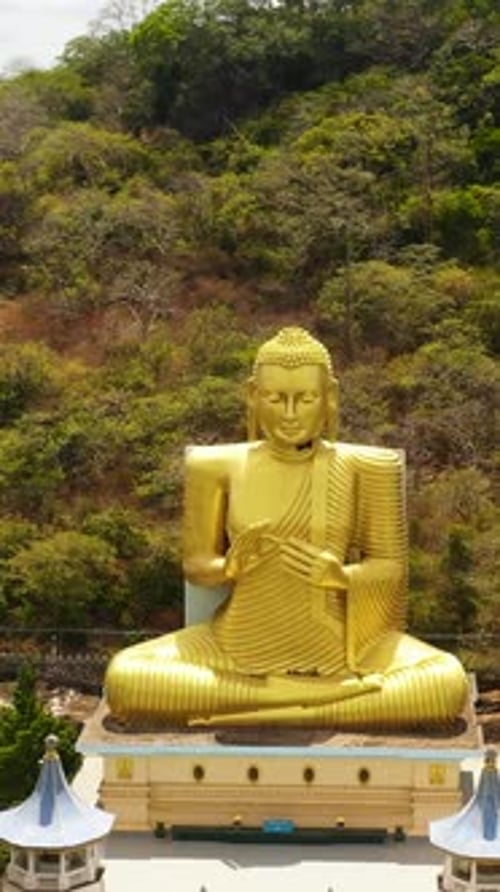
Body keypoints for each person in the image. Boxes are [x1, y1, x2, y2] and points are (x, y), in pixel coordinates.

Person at [105, 327, 467, 728]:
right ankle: (307, 701)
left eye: (306, 399)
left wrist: (342, 576)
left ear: (329, 396)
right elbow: (197, 564)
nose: (290, 414)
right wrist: (229, 567)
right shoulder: (215, 466)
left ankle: (255, 705)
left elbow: (390, 567)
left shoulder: (367, 467)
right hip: (236, 645)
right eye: (276, 399)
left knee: (445, 682)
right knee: (125, 677)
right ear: (253, 395)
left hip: (343, 651)